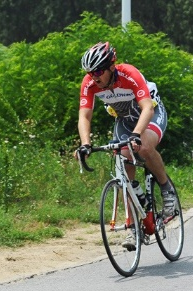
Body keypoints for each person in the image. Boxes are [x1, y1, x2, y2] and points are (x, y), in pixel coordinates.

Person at [75, 42, 177, 250]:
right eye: (90, 72)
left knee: (145, 147)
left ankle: (167, 190)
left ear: (112, 67)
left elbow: (147, 107)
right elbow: (84, 116)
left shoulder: (128, 74)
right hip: (126, 119)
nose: (94, 76)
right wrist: (85, 144)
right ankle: (133, 226)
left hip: (151, 114)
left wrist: (137, 135)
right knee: (122, 163)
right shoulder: (89, 83)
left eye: (99, 71)